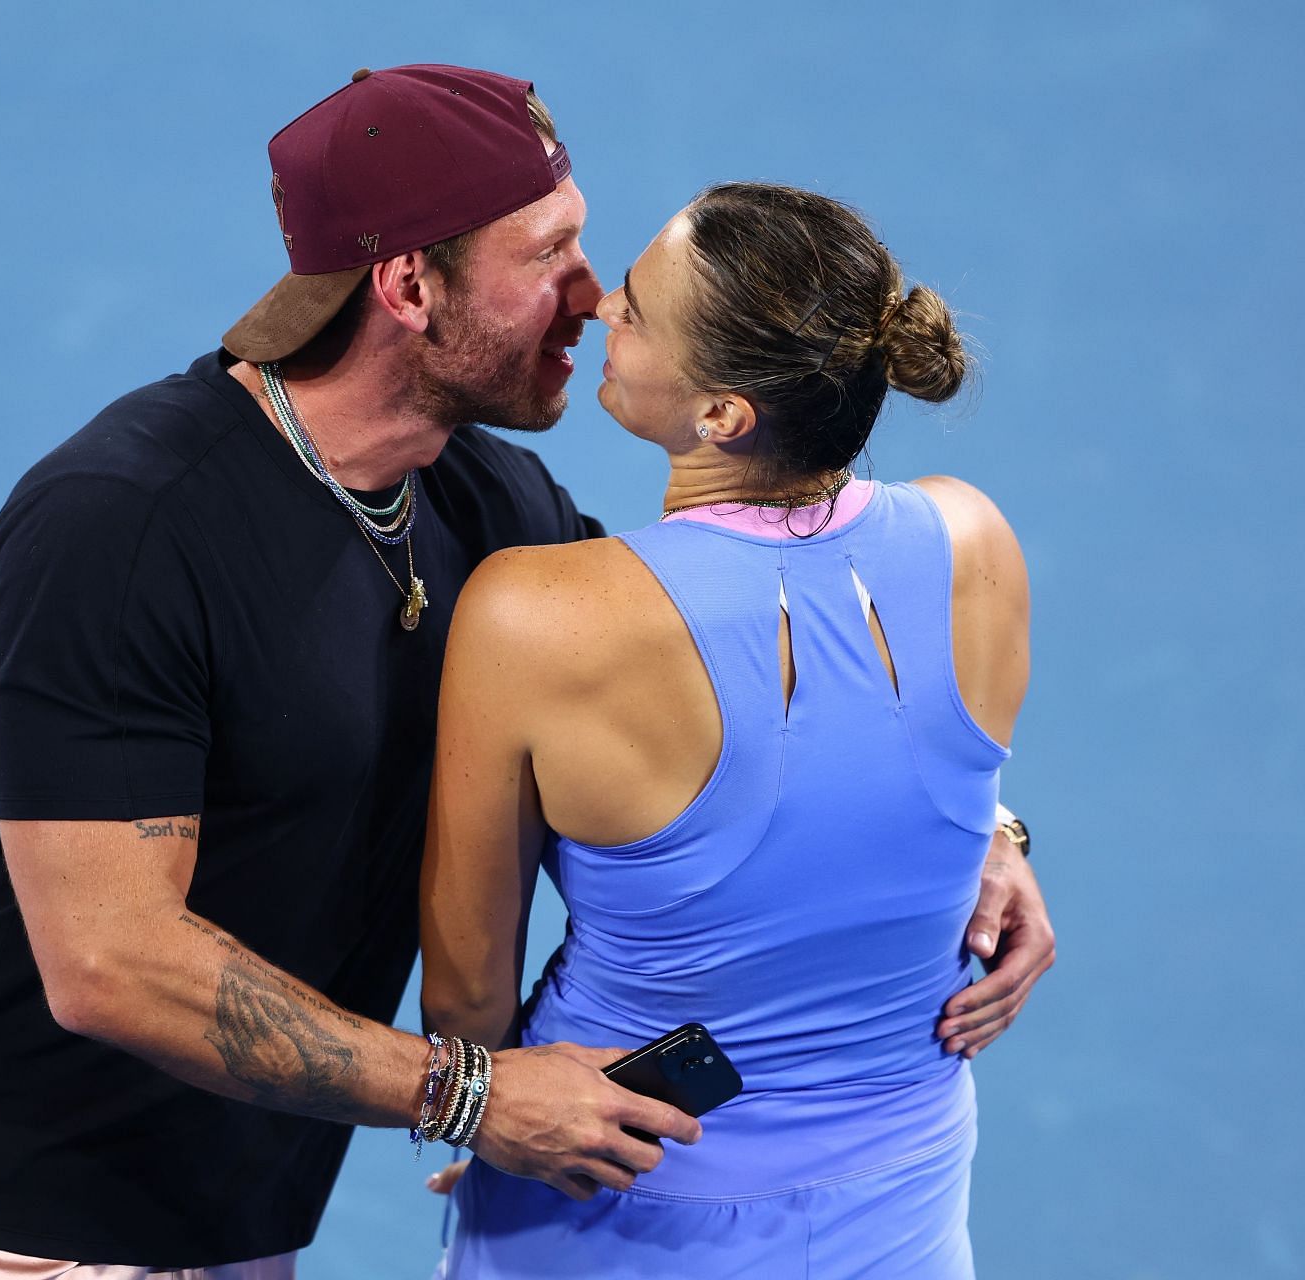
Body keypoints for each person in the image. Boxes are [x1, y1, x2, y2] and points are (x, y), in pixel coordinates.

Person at [0, 65, 1051, 1278]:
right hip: (10, 1226)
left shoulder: (488, 499)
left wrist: (975, 834)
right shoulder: (123, 524)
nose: (590, 295)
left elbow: (709, 679)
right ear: (408, 282)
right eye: (547, 254)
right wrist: (472, 1092)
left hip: (224, 1212)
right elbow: (109, 961)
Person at [420, 182, 1030, 1277]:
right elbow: (919, 795)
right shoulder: (974, 537)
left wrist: (501, 1108)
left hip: (611, 1195)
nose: (602, 304)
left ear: (723, 416)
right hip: (902, 1218)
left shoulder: (534, 616)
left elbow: (466, 998)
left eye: (640, 310)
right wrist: (1006, 838)